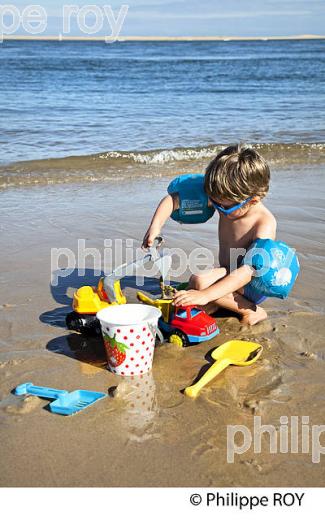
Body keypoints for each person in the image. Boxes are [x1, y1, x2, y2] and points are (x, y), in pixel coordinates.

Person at [142, 144, 281, 326]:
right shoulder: (224, 197)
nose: (218, 209)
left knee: (199, 282)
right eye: (215, 203)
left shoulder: (263, 223)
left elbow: (248, 272)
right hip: (229, 271)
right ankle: (216, 302)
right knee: (198, 284)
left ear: (252, 200)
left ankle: (252, 310)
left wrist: (204, 295)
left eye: (224, 206)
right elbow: (174, 200)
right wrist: (155, 227)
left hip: (250, 283)